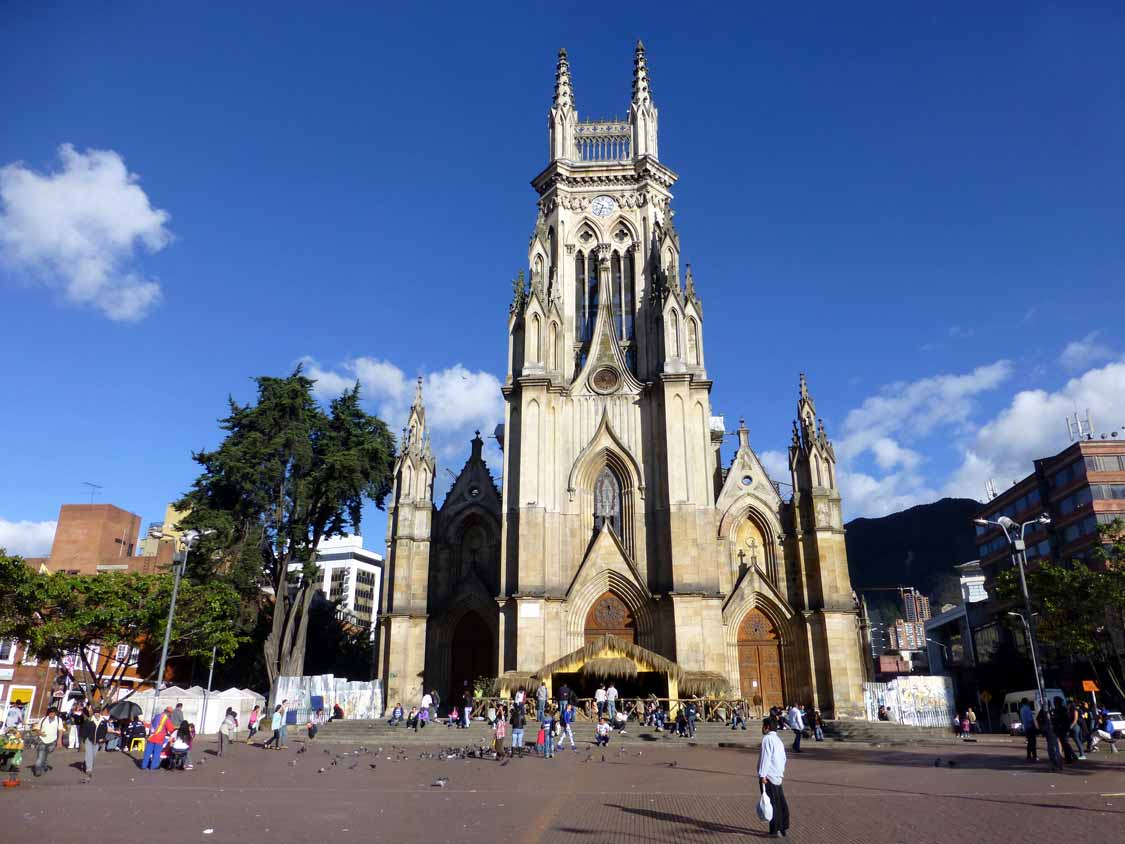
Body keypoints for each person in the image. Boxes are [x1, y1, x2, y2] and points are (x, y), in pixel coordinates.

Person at [759, 716, 790, 838]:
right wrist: (780, 772)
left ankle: (774, 830)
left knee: (771, 803)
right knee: (780, 801)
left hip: (769, 776)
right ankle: (783, 827)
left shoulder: (767, 739)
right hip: (777, 775)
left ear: (767, 727)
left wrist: (762, 775)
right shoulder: (778, 740)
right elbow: (783, 758)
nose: (761, 729)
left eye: (763, 726)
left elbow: (765, 758)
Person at [143, 706, 175, 771]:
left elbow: (151, 724)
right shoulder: (166, 719)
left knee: (148, 752)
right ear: (169, 713)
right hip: (159, 738)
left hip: (151, 736)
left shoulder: (157, 716)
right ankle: (154, 766)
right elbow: (171, 730)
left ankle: (144, 765)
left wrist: (145, 724)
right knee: (156, 753)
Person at [32, 707, 60, 777]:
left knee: (47, 753)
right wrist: (40, 733)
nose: (51, 715)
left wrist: (59, 740)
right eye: (50, 713)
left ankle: (44, 764)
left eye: (53, 713)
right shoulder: (43, 719)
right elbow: (37, 729)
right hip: (42, 740)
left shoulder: (59, 720)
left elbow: (61, 730)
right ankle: (37, 770)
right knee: (40, 756)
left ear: (55, 714)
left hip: (52, 741)